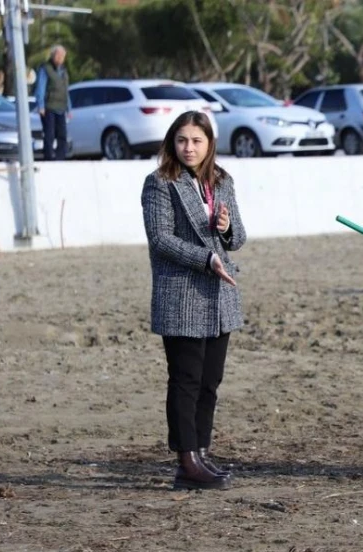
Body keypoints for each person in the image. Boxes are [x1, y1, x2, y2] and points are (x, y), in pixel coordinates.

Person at [141, 111, 246, 490]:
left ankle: (201, 452)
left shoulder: (221, 180)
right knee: (185, 379)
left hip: (220, 296)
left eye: (196, 141)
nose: (189, 148)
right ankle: (186, 461)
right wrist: (206, 258)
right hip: (182, 294)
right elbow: (161, 239)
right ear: (172, 141)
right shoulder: (159, 183)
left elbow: (239, 237)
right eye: (182, 140)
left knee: (209, 381)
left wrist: (226, 227)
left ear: (209, 143)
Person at [34, 44, 72, 161]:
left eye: (63, 56)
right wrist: (41, 106)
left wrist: (69, 108)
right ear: (53, 55)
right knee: (49, 134)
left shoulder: (64, 71)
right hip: (49, 107)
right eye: (59, 55)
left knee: (62, 135)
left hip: (61, 107)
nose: (61, 58)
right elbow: (40, 88)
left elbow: (65, 91)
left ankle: (61, 158)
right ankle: (49, 157)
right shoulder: (45, 69)